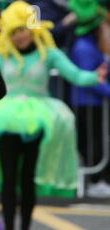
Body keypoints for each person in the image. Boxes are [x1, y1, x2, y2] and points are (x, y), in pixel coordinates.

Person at [0, 1, 107, 230]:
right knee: (8, 180)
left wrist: (95, 76)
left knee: (27, 179)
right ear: (8, 32)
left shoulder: (48, 53)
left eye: (24, 30)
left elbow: (74, 75)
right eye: (15, 31)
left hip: (39, 119)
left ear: (33, 29)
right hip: (2, 120)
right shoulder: (3, 55)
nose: (20, 36)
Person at [68, 0, 110, 198]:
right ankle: (94, 182)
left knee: (94, 142)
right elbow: (90, 79)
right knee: (92, 144)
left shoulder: (89, 45)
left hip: (90, 102)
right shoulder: (84, 47)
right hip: (85, 103)